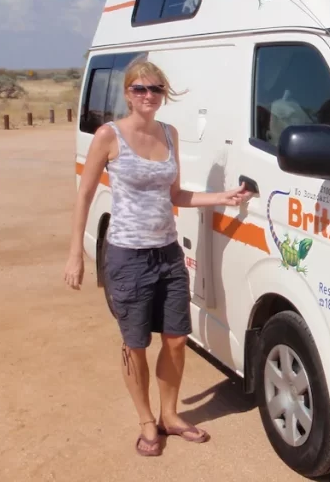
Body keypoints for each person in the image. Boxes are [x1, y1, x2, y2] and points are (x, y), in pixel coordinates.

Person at [64, 55, 253, 457]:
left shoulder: (170, 134)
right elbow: (84, 194)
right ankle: (146, 420)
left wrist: (223, 198)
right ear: (128, 95)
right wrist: (75, 254)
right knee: (135, 344)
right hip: (127, 256)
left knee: (177, 340)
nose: (148, 95)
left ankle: (170, 414)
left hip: (166, 254)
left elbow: (175, 196)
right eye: (140, 89)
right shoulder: (108, 135)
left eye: (155, 89)